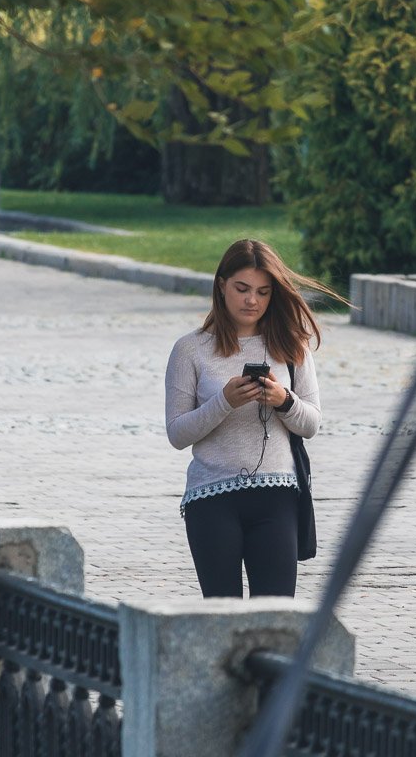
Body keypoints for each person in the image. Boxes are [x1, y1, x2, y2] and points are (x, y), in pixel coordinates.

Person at [165, 239, 343, 598]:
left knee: (276, 616)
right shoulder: (190, 349)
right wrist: (224, 402)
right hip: (211, 499)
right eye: (242, 289)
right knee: (222, 616)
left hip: (278, 498)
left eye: (263, 292)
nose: (252, 301)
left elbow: (311, 424)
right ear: (221, 285)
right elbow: (177, 433)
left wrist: (283, 400)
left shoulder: (293, 346)